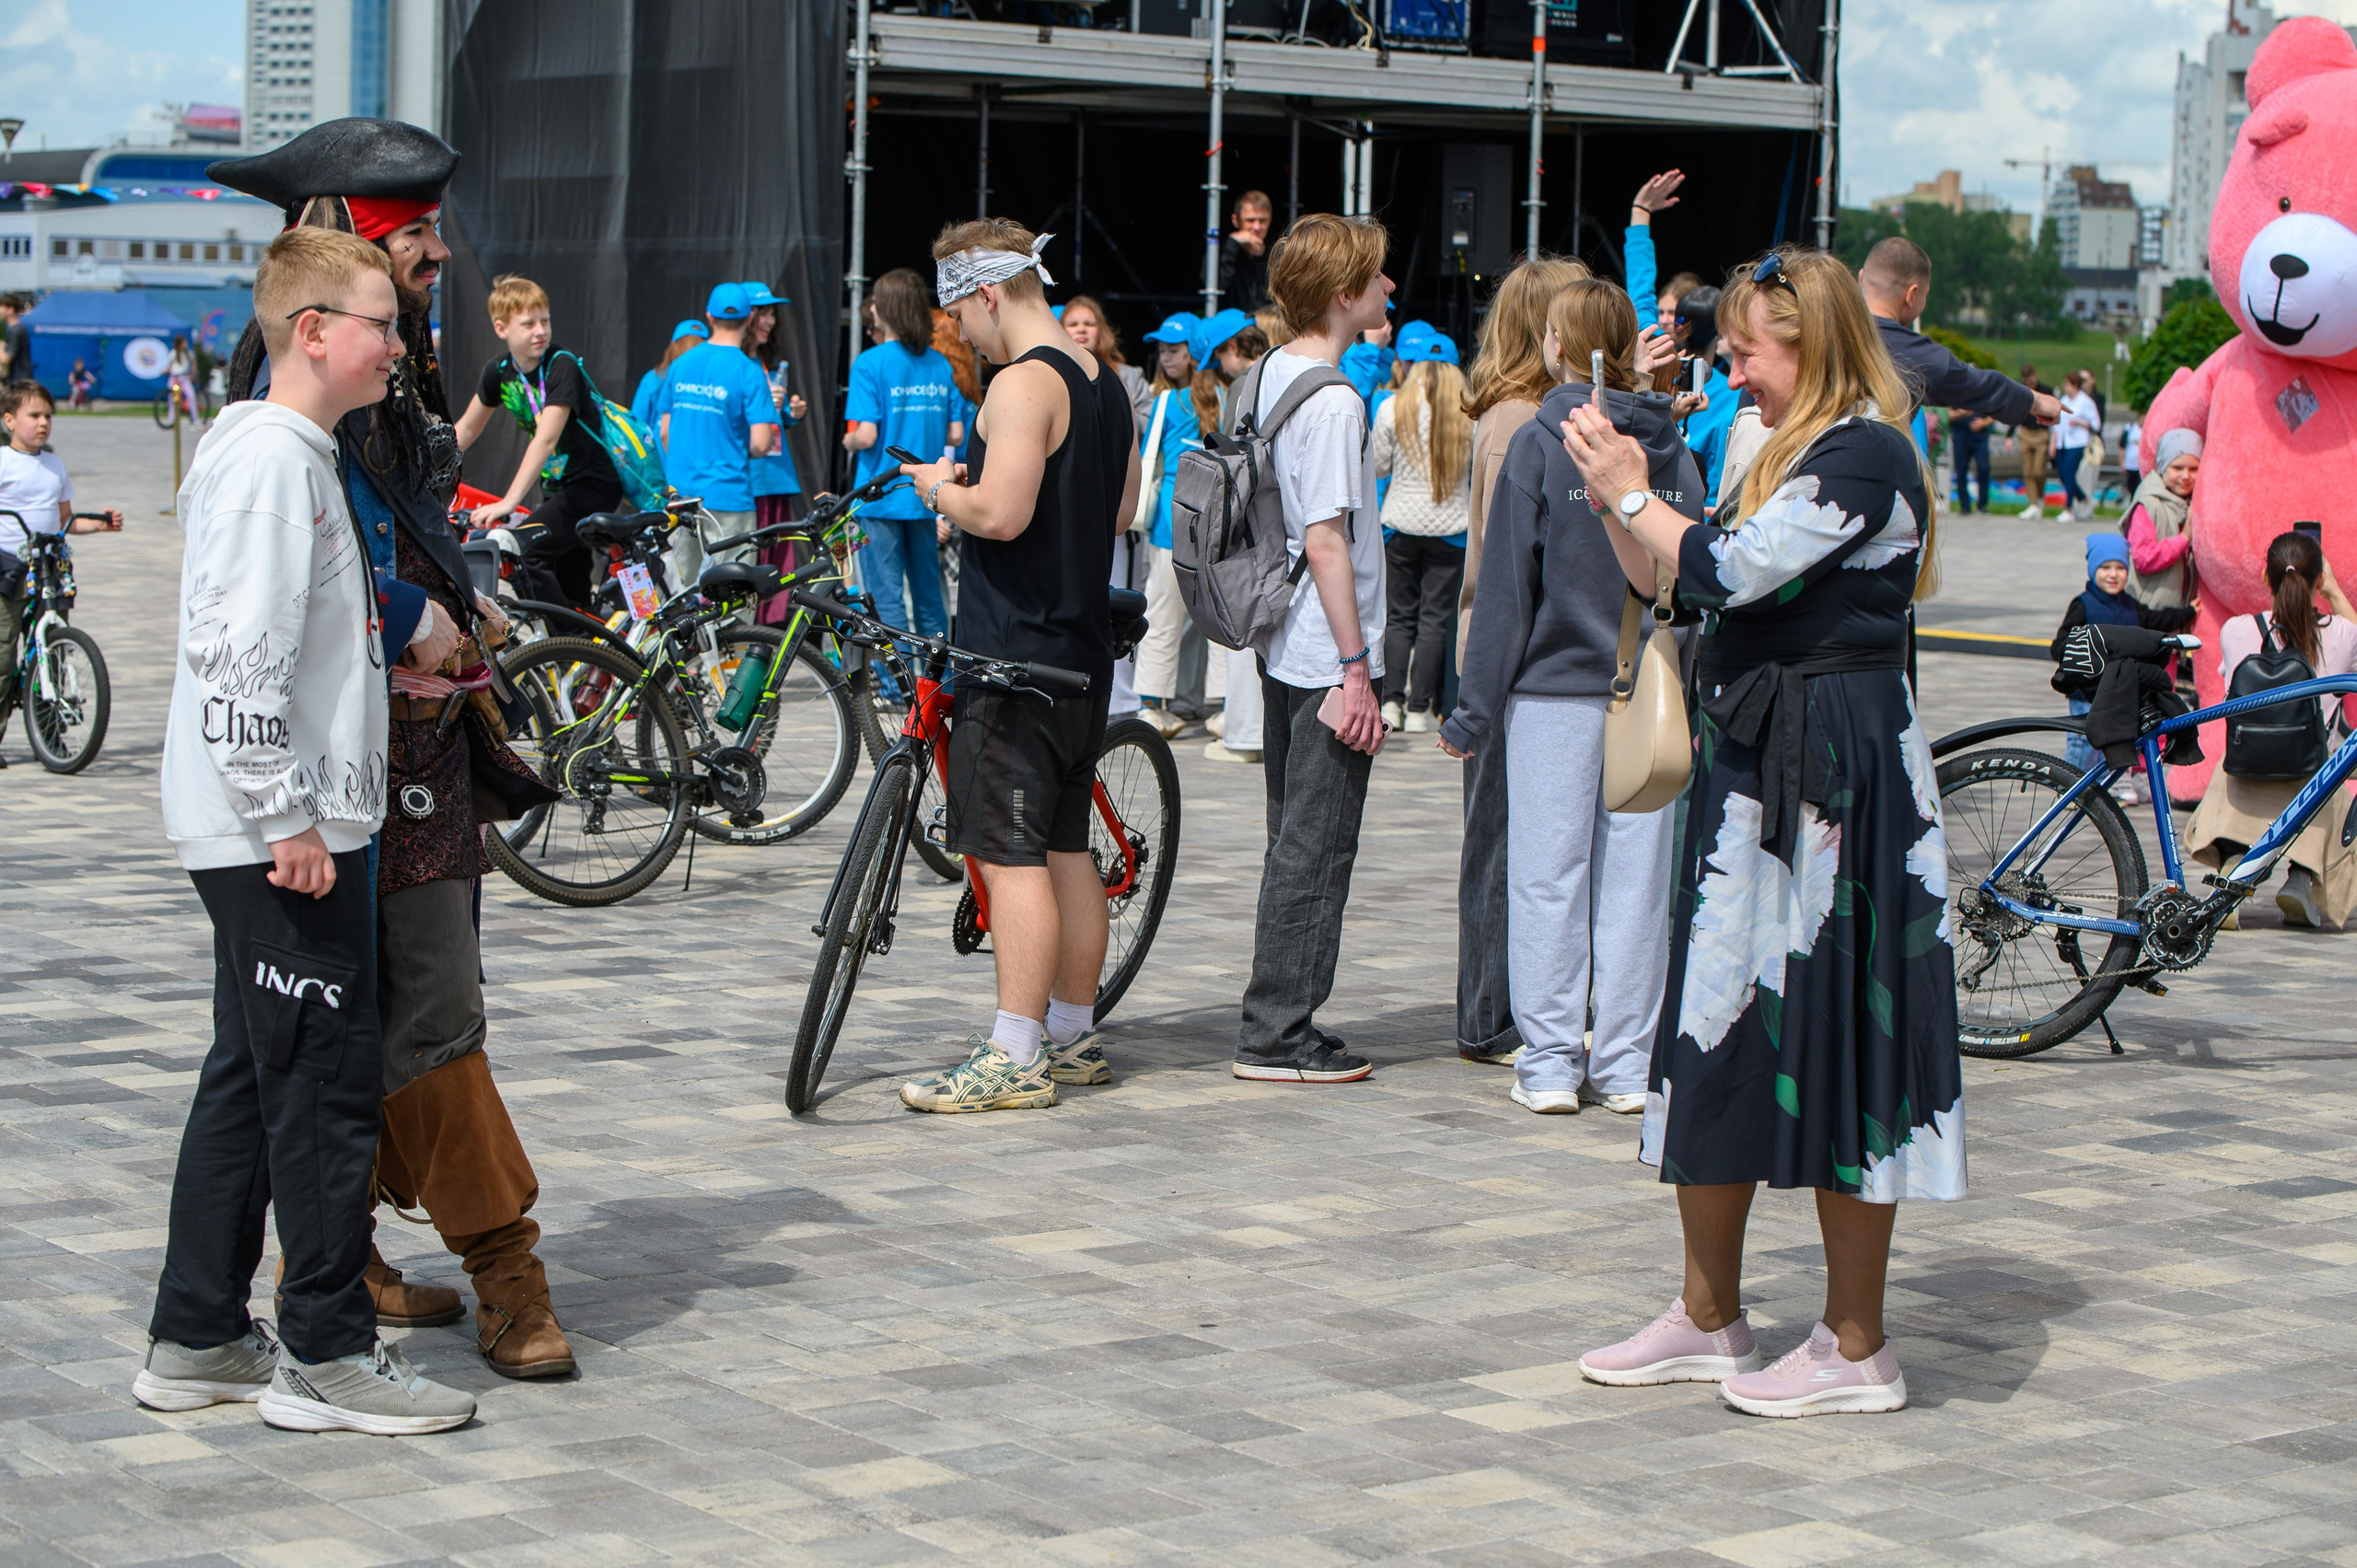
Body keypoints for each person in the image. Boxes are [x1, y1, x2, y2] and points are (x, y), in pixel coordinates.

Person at [1564, 247, 1961, 1417]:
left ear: (1813, 341)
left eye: (1748, 352)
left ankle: (1857, 1342)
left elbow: (1732, 569)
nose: (1732, 372)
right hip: (1758, 763)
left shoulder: (1867, 452)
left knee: (1846, 1025)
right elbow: (1680, 581)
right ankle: (1708, 1314)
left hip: (1838, 775)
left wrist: (1633, 491)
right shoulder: (1780, 446)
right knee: (1715, 1015)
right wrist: (1620, 494)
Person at [211, 119, 575, 1382]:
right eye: (414, 230)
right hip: (337, 749)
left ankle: (353, 1255)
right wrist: (405, 603)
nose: (439, 251)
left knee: (404, 998)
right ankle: (502, 1268)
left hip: (416, 737)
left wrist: (460, 592)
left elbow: (407, 505)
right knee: (413, 1008)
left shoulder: (399, 351)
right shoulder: (287, 377)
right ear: (345, 237)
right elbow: (277, 564)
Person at [140, 226, 475, 1436]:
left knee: (249, 1071)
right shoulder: (276, 462)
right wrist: (286, 815)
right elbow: (235, 655)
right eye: (381, 322)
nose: (397, 343)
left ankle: (198, 1333)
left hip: (280, 823)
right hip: (280, 835)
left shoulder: (289, 454)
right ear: (314, 331)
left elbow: (295, 635)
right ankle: (326, 1353)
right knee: (325, 1087)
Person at [893, 218, 1140, 1111]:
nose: (962, 333)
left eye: (962, 315)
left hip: (1011, 656)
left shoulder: (1022, 384)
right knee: (1066, 845)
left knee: (1007, 854)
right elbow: (1121, 510)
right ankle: (1072, 1035)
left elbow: (1000, 514)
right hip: (1079, 653)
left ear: (989, 293)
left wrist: (939, 489)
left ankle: (1014, 1053)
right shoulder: (1102, 380)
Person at [1440, 277, 1701, 1117]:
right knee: (1637, 885)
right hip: (1649, 692)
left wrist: (1472, 708)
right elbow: (1693, 575)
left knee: (1547, 878)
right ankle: (1625, 1064)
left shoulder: (1541, 443)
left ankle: (1551, 1061)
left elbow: (1506, 594)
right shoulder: (1670, 447)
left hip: (1551, 691)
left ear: (1557, 346)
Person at [1228, 213, 1393, 1084]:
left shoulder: (1264, 374)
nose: (1389, 287)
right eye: (1376, 276)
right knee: (1316, 843)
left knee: (1290, 834)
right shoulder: (1332, 399)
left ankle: (1278, 1015)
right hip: (1326, 647)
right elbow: (1327, 540)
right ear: (1341, 294)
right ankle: (1277, 1030)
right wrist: (1357, 668)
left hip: (1279, 634)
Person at [1456, 253, 1589, 1067]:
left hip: (1517, 654)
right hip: (1508, 658)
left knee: (1516, 838)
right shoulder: (1518, 423)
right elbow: (1508, 569)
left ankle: (1505, 1006)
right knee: (1501, 842)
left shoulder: (1527, 415)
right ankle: (1490, 1015)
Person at [2188, 530, 2357, 929]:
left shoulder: (2236, 630)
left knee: (2235, 775)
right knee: (2334, 783)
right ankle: (2301, 879)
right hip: (2310, 779)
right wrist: (2333, 591)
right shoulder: (2342, 634)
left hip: (2244, 773)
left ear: (2267, 577)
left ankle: (2234, 865)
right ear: (2318, 580)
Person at [450, 275, 624, 610]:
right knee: (568, 575)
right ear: (501, 329)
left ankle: (562, 638)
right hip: (556, 487)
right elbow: (467, 429)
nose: (540, 331)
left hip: (594, 483)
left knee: (523, 550)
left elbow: (546, 439)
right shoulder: (499, 370)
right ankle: (580, 637)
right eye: (528, 324)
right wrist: (428, 472)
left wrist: (510, 502)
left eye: (545, 321)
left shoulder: (561, 364)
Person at [0, 382, 122, 767]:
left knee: (51, 652)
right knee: (3, 653)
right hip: (8, 567)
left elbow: (65, 519)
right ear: (8, 420)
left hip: (50, 567)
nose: (43, 423)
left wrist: (99, 525)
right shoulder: (3, 461)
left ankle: (50, 737)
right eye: (34, 416)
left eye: (48, 416)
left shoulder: (54, 465)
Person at [845, 269, 964, 644]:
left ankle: (897, 678)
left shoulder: (870, 362)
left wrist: (848, 441)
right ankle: (939, 675)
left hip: (879, 498)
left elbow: (866, 435)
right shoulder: (939, 363)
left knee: (885, 599)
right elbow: (956, 433)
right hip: (924, 495)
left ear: (887, 308)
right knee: (930, 598)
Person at [1856, 238, 2056, 438]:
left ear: (1861, 278)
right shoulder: (1916, 354)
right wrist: (2035, 401)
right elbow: (1979, 387)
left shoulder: (1837, 332)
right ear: (1912, 295)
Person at [1374, 330, 1469, 735]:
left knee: (1398, 617)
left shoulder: (1391, 408)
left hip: (1400, 525)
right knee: (1434, 620)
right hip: (1452, 528)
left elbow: (1378, 467)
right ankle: (1418, 709)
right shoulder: (1470, 413)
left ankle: (1391, 703)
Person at [2050, 533, 2197, 797]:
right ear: (2093, 569)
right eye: (2105, 567)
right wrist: (2077, 657)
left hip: (2118, 692)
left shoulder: (2130, 605)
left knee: (2116, 737)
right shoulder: (2083, 604)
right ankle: (2070, 788)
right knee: (2083, 743)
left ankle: (2106, 789)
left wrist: (2189, 612)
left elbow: (2157, 619)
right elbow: (2060, 643)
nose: (2113, 574)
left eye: (2120, 567)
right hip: (2086, 693)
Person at [656, 282, 781, 587]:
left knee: (675, 591)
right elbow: (761, 443)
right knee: (733, 594)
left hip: (681, 497)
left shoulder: (681, 364)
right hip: (729, 497)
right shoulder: (749, 372)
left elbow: (665, 432)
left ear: (709, 317)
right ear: (749, 318)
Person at [1670, 285, 1736, 515]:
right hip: (1696, 520)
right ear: (1719, 332)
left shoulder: (1652, 376)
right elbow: (1717, 486)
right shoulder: (1734, 393)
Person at [2126, 428, 2200, 613]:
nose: (2186, 476)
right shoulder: (2148, 504)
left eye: (2194, 469)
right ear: (2162, 466)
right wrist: (2184, 538)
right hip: (2150, 613)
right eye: (2177, 468)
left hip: (2178, 614)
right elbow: (2143, 559)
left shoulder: (2193, 503)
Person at [1060, 294, 1150, 428]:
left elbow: (1150, 425)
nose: (1081, 330)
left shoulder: (1131, 376)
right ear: (1061, 332)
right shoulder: (1052, 374)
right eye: (1073, 324)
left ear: (1101, 332)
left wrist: (1114, 409)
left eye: (1089, 324)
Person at [632, 319, 707, 429]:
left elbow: (636, 423)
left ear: (673, 345)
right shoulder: (711, 381)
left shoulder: (654, 378)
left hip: (659, 439)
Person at [2054, 370, 2099, 520]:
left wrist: (2079, 423)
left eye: (2066, 384)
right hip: (2063, 442)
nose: (2065, 386)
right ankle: (2083, 498)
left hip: (2078, 442)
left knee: (2069, 472)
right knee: (2062, 473)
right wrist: (2054, 442)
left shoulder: (2086, 402)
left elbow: (2096, 424)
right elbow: (2058, 423)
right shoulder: (2064, 400)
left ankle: (2069, 509)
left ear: (2074, 384)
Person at [1218, 190, 1274, 312]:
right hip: (1232, 322)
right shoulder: (1220, 251)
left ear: (1270, 221)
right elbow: (1217, 285)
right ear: (1235, 220)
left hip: (1269, 322)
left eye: (1262, 220)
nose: (1257, 227)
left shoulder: (1277, 252)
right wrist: (1232, 243)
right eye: (1250, 220)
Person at [2013, 366, 2052, 517]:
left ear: (2035, 376)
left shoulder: (2046, 391)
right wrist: (2009, 435)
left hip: (2041, 433)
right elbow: (2015, 412)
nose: (2029, 384)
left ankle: (2040, 497)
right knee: (2028, 471)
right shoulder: (2022, 391)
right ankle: (2033, 504)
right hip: (2025, 433)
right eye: (2026, 382)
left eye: (2031, 381)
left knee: (2038, 471)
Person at [1946, 407, 1994, 512]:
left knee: (1983, 469)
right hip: (1960, 434)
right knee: (1961, 471)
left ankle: (1982, 505)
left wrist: (1984, 423)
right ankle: (1964, 505)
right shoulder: (1954, 396)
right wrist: (1961, 413)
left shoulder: (1984, 396)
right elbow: (1948, 415)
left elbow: (1996, 413)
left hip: (1980, 435)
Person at [0, 295, 29, 384]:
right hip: (19, 379)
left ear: (10, 310)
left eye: (1, 307)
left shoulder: (15, 330)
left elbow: (5, 359)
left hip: (19, 381)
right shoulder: (15, 329)